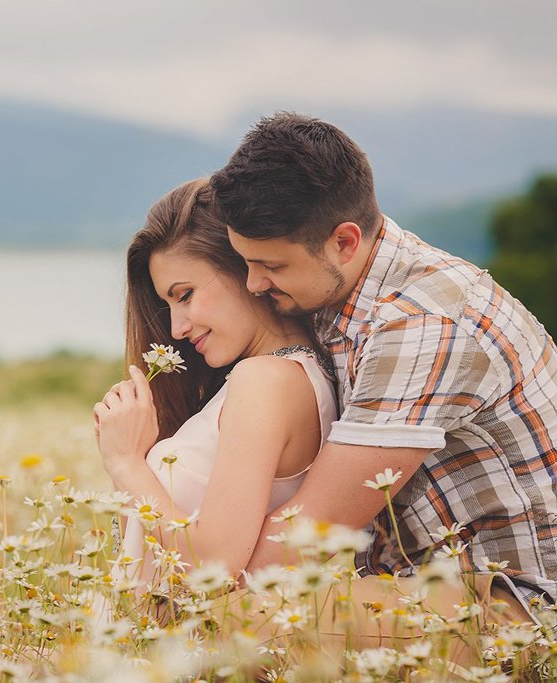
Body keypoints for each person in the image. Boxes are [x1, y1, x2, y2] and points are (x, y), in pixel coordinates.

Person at [210, 111, 557, 615]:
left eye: (272, 266)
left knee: (237, 626)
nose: (254, 285)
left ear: (345, 242)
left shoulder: (422, 325)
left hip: (520, 602)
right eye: (245, 262)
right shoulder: (344, 286)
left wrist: (199, 598)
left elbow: (310, 532)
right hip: (425, 583)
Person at [92, 178, 337, 591]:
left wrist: (126, 463)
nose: (175, 328)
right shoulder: (283, 375)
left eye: (184, 295)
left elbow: (213, 568)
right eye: (167, 304)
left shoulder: (265, 382)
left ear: (245, 268)